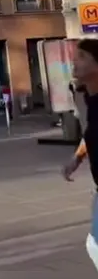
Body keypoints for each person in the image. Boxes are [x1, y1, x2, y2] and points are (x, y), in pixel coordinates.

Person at [61, 39, 98, 269]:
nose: (75, 61)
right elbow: (91, 133)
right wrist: (77, 158)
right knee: (93, 244)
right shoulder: (86, 99)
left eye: (82, 56)